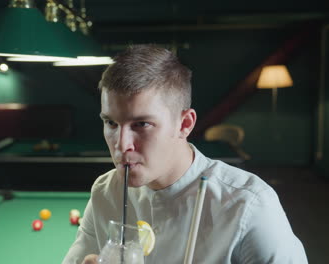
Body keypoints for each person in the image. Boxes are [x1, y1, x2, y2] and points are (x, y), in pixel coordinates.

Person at [62, 44, 307, 264]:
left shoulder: (249, 205)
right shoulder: (106, 192)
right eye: (111, 124)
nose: (121, 145)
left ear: (185, 124)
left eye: (142, 124)